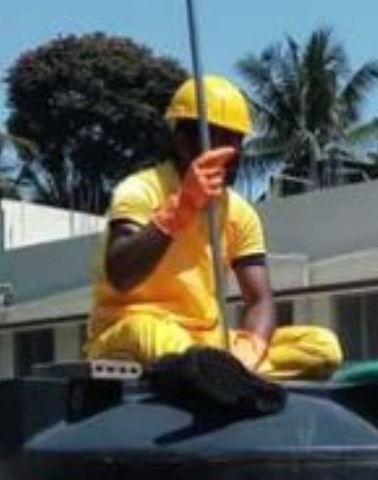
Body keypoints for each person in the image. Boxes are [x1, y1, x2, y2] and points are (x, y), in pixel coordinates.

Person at [84, 75, 342, 380]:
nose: (233, 154)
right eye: (220, 140)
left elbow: (259, 300)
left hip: (207, 341)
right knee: (161, 340)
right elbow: (121, 276)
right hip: (132, 328)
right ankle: (215, 374)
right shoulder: (140, 190)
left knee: (322, 347)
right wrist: (182, 208)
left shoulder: (239, 212)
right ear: (183, 142)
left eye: (237, 141)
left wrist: (250, 351)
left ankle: (225, 376)